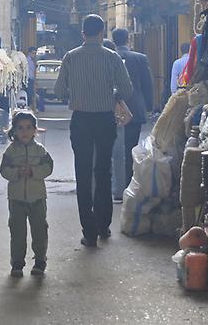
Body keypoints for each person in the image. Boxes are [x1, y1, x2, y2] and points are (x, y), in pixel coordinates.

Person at [54, 14, 133, 247]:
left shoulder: (70, 57)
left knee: (83, 173)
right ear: (101, 34)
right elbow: (126, 89)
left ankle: (88, 232)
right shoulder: (112, 57)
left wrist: (76, 92)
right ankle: (103, 225)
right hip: (104, 120)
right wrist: (112, 92)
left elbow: (59, 91)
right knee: (103, 171)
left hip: (80, 121)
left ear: (83, 34)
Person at [0, 110, 54, 278]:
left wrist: (34, 171)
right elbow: (3, 170)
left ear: (35, 130)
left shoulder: (40, 151)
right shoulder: (10, 152)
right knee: (17, 232)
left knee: (39, 230)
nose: (24, 131)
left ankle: (40, 261)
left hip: (37, 198)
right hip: (16, 199)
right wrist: (16, 172)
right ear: (14, 130)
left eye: (29, 127)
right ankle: (17, 264)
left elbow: (49, 168)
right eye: (20, 128)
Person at [111, 28, 154, 193]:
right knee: (131, 148)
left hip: (111, 109)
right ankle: (128, 184)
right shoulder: (140, 58)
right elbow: (147, 85)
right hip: (134, 109)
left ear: (114, 40)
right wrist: (148, 107)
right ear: (128, 39)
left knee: (112, 149)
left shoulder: (108, 56)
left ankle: (115, 186)